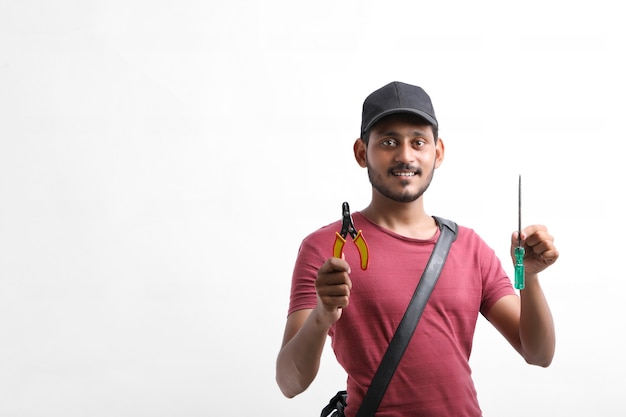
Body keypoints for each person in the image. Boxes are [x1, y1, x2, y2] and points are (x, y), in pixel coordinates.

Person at [275, 81, 558, 417]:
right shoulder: (324, 249)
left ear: (437, 152)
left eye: (418, 142)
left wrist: (532, 279)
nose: (405, 155)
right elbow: (289, 383)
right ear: (362, 152)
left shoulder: (469, 247)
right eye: (388, 141)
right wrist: (322, 315)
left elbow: (538, 354)